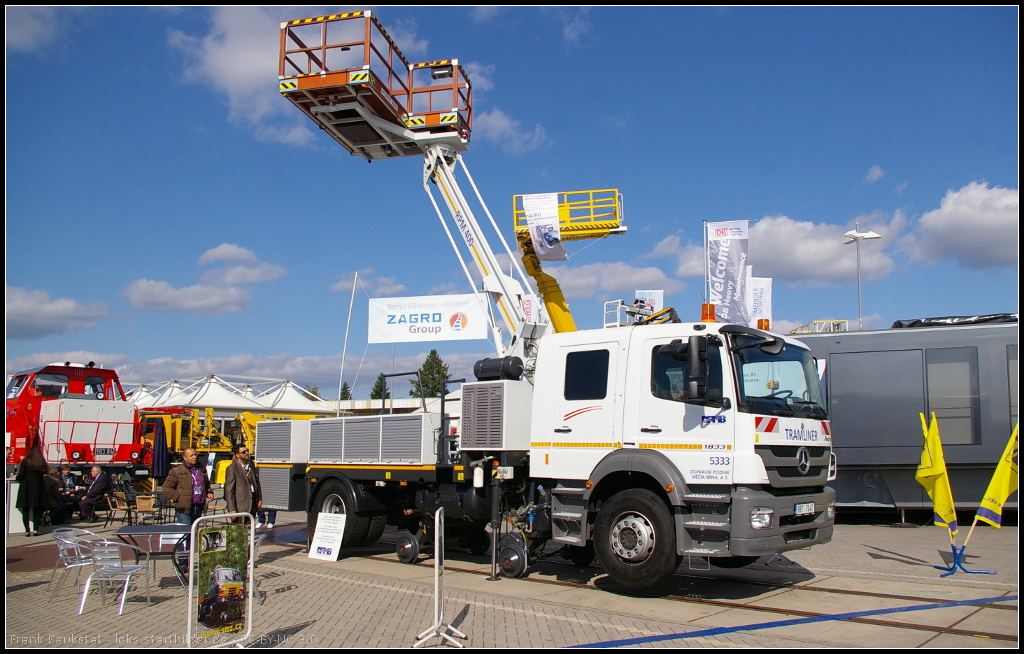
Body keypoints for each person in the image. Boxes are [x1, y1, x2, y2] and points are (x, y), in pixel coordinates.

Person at [163, 448, 213, 524]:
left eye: (195, 454)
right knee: (186, 533)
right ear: (185, 458)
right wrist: (178, 497)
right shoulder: (177, 471)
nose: (194, 457)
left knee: (195, 532)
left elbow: (206, 484)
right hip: (184, 509)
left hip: (198, 507)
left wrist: (209, 492)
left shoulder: (201, 469)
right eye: (191, 455)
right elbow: (166, 488)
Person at [15, 446, 49, 536]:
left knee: (25, 509)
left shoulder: (26, 461)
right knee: (37, 509)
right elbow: (45, 473)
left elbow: (21, 475)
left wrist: (17, 478)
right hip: (38, 488)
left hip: (26, 487)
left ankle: (27, 530)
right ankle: (36, 530)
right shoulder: (41, 462)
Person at [224, 443, 261, 521]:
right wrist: (232, 509)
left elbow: (256, 482)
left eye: (247, 451)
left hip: (252, 504)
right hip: (240, 506)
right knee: (239, 531)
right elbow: (229, 490)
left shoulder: (251, 464)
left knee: (249, 530)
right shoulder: (232, 468)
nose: (247, 453)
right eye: (243, 452)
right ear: (237, 455)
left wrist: (259, 499)